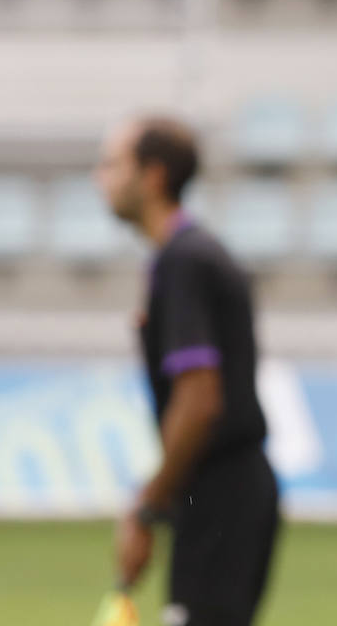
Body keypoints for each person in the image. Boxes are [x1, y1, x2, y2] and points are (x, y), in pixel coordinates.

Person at [94, 115, 279, 626]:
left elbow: (200, 401)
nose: (99, 177)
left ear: (153, 176)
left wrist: (147, 508)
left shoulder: (184, 261)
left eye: (112, 164)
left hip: (222, 493)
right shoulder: (188, 256)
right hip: (223, 492)